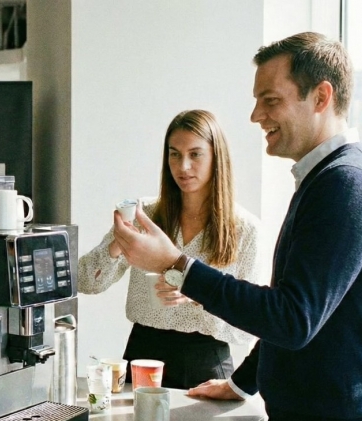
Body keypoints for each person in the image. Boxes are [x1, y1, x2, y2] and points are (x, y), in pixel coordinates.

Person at [112, 32, 362, 421]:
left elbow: (292, 318)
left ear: (321, 96)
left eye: (270, 100)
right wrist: (244, 382)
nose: (255, 116)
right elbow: (304, 309)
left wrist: (178, 265)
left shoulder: (345, 185)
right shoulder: (330, 180)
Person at [78, 110, 260, 389]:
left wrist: (197, 292)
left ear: (216, 157)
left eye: (195, 154)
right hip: (142, 355)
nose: (183, 166)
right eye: (174, 154)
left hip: (206, 361)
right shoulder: (144, 215)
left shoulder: (244, 229)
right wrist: (118, 243)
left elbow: (248, 326)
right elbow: (85, 281)